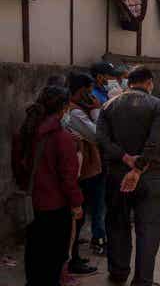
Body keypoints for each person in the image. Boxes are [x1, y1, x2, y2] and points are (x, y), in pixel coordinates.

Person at [97, 67, 160, 286]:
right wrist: (137, 170)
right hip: (149, 177)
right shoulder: (156, 105)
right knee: (148, 229)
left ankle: (118, 273)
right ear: (149, 82)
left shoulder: (108, 106)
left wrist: (125, 158)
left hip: (116, 175)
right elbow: (154, 142)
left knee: (117, 224)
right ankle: (143, 280)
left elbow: (101, 139)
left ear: (129, 83)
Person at [12, 86, 84, 286]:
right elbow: (68, 178)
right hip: (55, 207)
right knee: (53, 260)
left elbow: (17, 169)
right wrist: (77, 203)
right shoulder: (62, 138)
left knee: (34, 255)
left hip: (32, 204)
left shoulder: (26, 131)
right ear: (62, 108)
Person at [64, 73, 101, 275]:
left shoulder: (76, 110)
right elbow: (97, 135)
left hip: (83, 169)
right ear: (81, 91)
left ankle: (74, 257)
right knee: (76, 219)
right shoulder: (75, 113)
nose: (91, 96)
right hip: (80, 172)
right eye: (89, 91)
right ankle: (72, 261)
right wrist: (96, 111)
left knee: (79, 218)